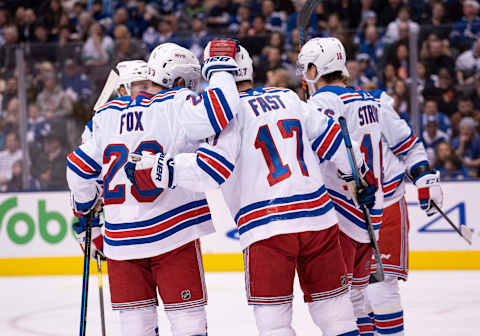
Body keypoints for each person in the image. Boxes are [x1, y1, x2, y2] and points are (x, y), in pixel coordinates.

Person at [126, 43, 379, 336]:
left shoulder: (228, 115)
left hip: (266, 227)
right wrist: (356, 179)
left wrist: (161, 169)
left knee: (275, 324)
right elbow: (338, 143)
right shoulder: (288, 97)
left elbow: (211, 171)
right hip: (317, 220)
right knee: (337, 317)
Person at [67, 40, 241, 336]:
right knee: (189, 327)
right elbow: (223, 107)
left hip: (122, 245)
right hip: (174, 236)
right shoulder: (177, 104)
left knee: (136, 330)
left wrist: (87, 213)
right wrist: (221, 67)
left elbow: (79, 168)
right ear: (180, 80)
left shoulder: (106, 114)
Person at [297, 37, 443, 336]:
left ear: (316, 68)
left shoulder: (319, 104)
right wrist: (425, 176)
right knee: (372, 289)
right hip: (378, 204)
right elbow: (409, 144)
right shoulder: (374, 100)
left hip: (346, 208)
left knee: (355, 292)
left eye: (307, 68)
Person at [365, 89, 444, 336]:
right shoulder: (311, 108)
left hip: (386, 200)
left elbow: (408, 145)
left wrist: (423, 175)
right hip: (344, 209)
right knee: (354, 294)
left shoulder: (375, 103)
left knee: (380, 284)